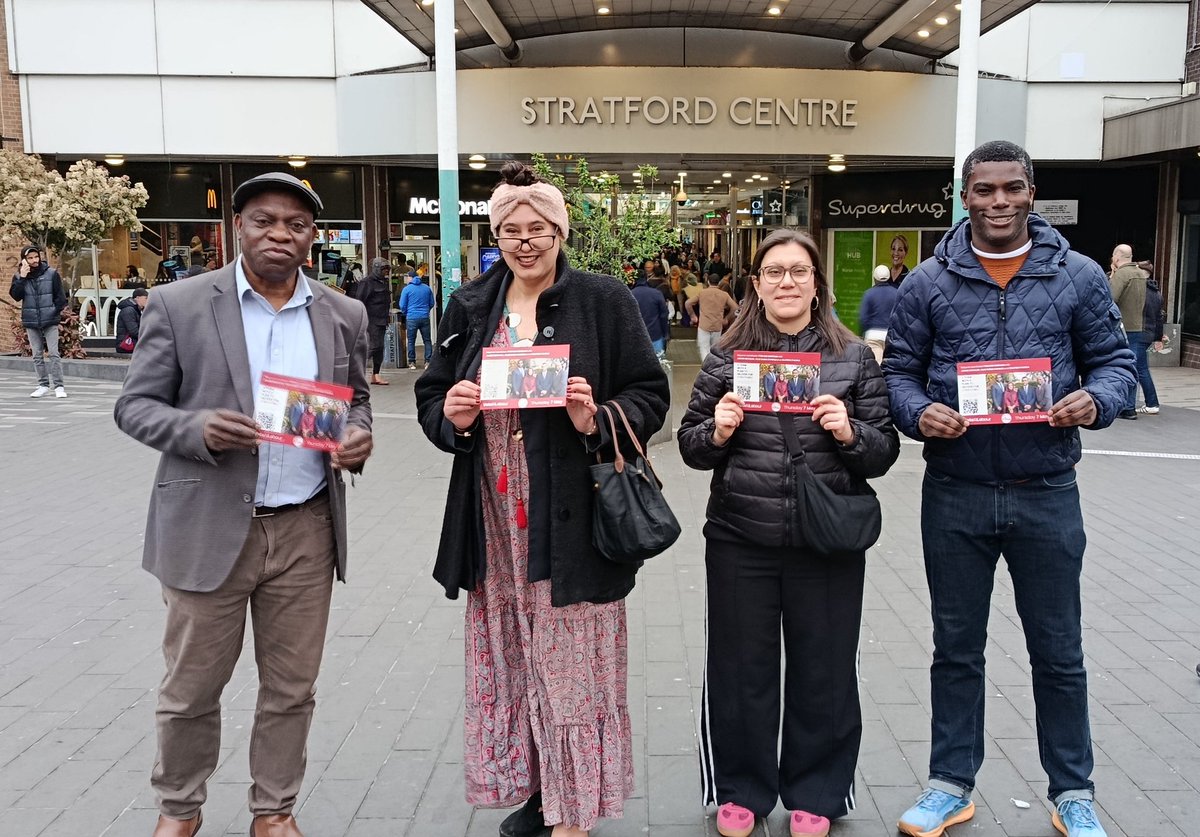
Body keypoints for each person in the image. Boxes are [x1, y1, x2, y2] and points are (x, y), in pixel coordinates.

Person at [884, 140, 1135, 837]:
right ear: (964, 197)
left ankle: (1072, 790)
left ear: (1032, 193)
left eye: (1012, 188)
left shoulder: (1078, 277)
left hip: (1047, 488)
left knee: (1058, 648)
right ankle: (949, 782)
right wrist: (917, 413)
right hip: (956, 490)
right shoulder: (928, 283)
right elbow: (898, 374)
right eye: (984, 190)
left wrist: (1095, 400)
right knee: (955, 647)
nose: (999, 201)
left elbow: (1113, 362)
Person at [113, 171, 374, 837]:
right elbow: (134, 406)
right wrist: (193, 430)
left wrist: (355, 439)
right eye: (265, 221)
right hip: (207, 527)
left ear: (312, 236)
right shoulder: (179, 304)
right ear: (239, 227)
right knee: (191, 687)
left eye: (295, 224)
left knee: (291, 688)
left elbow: (357, 403)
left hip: (306, 528)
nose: (280, 234)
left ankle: (275, 808)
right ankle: (179, 806)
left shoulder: (342, 313)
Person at [414, 160, 669, 837]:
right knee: (515, 658)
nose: (524, 242)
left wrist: (598, 419)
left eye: (538, 229)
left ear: (560, 231)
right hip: (493, 518)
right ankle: (539, 789)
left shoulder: (603, 299)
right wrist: (453, 414)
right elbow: (430, 396)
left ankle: (574, 809)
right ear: (494, 236)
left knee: (570, 662)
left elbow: (651, 394)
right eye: (509, 231)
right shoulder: (472, 305)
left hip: (572, 517)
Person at [678, 228, 899, 837]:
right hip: (739, 537)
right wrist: (717, 431)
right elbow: (690, 447)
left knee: (823, 669)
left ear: (816, 283)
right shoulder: (727, 356)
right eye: (774, 272)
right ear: (756, 284)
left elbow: (883, 453)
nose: (786, 282)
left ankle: (817, 792)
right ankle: (741, 790)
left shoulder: (852, 357)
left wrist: (850, 432)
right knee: (739, 668)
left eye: (798, 272)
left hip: (825, 540)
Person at [9, 245, 68, 398]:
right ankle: (43, 385)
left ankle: (59, 386)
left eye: (36, 257)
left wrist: (54, 311)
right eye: (30, 258)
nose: (34, 260)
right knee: (37, 355)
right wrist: (22, 277)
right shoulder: (19, 277)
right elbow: (16, 296)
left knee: (54, 353)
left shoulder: (51, 273)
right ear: (24, 260)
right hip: (31, 320)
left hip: (50, 319)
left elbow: (60, 298)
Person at [1108, 244, 1146, 420]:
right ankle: (1130, 406)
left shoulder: (1122, 274)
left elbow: (1110, 298)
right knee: (1134, 365)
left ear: (1117, 257)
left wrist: (1112, 275)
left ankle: (1122, 405)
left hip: (1121, 326)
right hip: (1137, 325)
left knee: (1117, 365)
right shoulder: (1140, 273)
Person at [352, 257, 393, 386]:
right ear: (376, 269)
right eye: (383, 269)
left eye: (387, 269)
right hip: (371, 320)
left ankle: (376, 375)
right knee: (374, 346)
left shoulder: (383, 282)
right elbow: (360, 301)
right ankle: (353, 373)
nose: (386, 271)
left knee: (380, 348)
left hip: (381, 320)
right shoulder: (366, 282)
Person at [686, 273, 738, 361]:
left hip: (704, 325)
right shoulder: (724, 294)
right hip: (718, 325)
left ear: (708, 281)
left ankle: (706, 366)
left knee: (703, 348)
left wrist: (693, 316)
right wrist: (726, 318)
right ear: (719, 283)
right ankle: (713, 366)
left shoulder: (702, 293)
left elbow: (688, 303)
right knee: (715, 350)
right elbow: (735, 307)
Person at [1137, 261, 1164, 414]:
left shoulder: (1140, 291)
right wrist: (1158, 338)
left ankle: (1152, 403)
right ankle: (1151, 403)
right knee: (1141, 368)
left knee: (1141, 369)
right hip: (1149, 333)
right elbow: (1160, 317)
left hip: (1139, 331)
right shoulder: (1156, 292)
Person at [858, 264, 900, 363]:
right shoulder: (896, 293)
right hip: (890, 336)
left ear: (874, 278)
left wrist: (861, 334)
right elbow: (900, 316)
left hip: (873, 336)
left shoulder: (869, 294)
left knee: (875, 367)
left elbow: (864, 318)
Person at [398, 264, 435, 369]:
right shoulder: (427, 288)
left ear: (411, 277)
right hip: (424, 317)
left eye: (407, 277)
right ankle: (428, 362)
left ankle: (412, 362)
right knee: (427, 340)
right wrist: (426, 311)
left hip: (411, 317)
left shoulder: (407, 289)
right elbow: (432, 303)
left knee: (411, 340)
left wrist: (406, 313)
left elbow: (402, 305)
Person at [631, 259, 671, 354]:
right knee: (658, 363)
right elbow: (664, 314)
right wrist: (665, 333)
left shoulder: (630, 295)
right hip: (655, 334)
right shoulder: (656, 294)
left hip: (635, 337)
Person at [115, 288, 149, 353]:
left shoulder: (136, 310)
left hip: (132, 341)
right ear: (138, 298)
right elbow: (134, 332)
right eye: (146, 298)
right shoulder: (129, 310)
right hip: (126, 344)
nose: (148, 300)